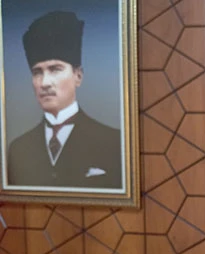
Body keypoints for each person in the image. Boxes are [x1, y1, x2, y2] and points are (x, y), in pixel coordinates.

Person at [6, 11, 122, 189]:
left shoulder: (113, 143)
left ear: (78, 76)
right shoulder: (18, 149)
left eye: (55, 69)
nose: (44, 83)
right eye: (37, 72)